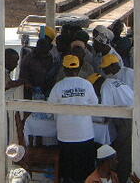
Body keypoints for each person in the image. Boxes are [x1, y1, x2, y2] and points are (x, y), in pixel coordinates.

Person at [48, 55, 99, 183]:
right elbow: (95, 104)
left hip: (65, 134)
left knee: (68, 170)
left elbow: (50, 108)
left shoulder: (58, 86)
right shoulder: (87, 84)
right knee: (85, 169)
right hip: (84, 133)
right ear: (79, 68)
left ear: (64, 69)